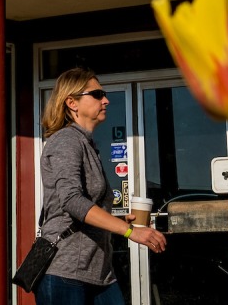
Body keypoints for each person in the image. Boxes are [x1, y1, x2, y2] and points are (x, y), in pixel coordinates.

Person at [38, 67, 167, 304]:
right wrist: (130, 231)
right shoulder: (66, 141)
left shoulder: (87, 144)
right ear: (72, 103)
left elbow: (85, 207)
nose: (105, 100)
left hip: (99, 273)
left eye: (104, 95)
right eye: (97, 95)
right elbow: (72, 201)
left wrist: (117, 220)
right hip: (66, 273)